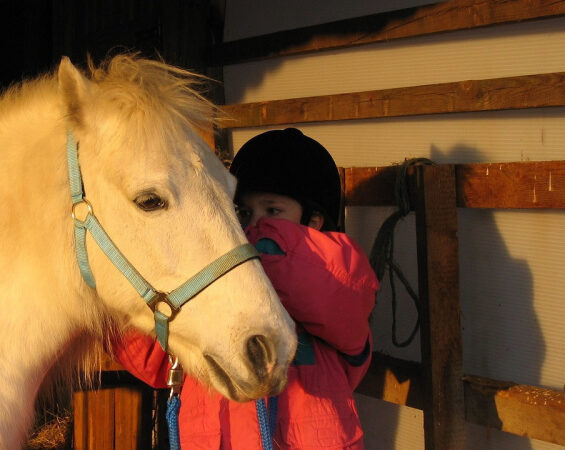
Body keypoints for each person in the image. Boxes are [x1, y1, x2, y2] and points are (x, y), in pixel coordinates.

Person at [112, 128, 379, 449]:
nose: (253, 225)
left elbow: (333, 299)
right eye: (243, 212)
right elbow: (153, 362)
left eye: (273, 211)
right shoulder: (212, 281)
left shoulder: (340, 269)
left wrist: (245, 251)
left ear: (315, 220)